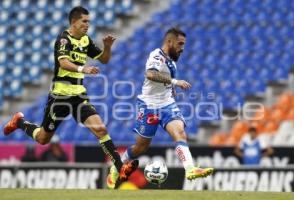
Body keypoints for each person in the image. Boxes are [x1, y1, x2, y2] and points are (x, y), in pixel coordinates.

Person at [3, 6, 137, 180]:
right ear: (74, 22)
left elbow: (104, 59)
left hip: (78, 95)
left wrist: (107, 47)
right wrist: (84, 69)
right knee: (43, 139)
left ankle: (120, 167)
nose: (88, 25)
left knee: (100, 129)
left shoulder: (86, 40)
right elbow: (64, 63)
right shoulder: (63, 39)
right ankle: (20, 122)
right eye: (84, 21)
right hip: (60, 96)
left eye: (89, 21)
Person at [106, 27, 214, 189]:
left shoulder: (171, 61)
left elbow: (165, 79)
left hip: (167, 104)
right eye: (180, 43)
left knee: (180, 133)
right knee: (141, 146)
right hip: (149, 106)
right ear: (169, 42)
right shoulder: (156, 55)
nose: (182, 47)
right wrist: (175, 82)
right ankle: (116, 167)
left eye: (184, 44)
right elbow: (150, 74)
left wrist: (171, 89)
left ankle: (190, 169)